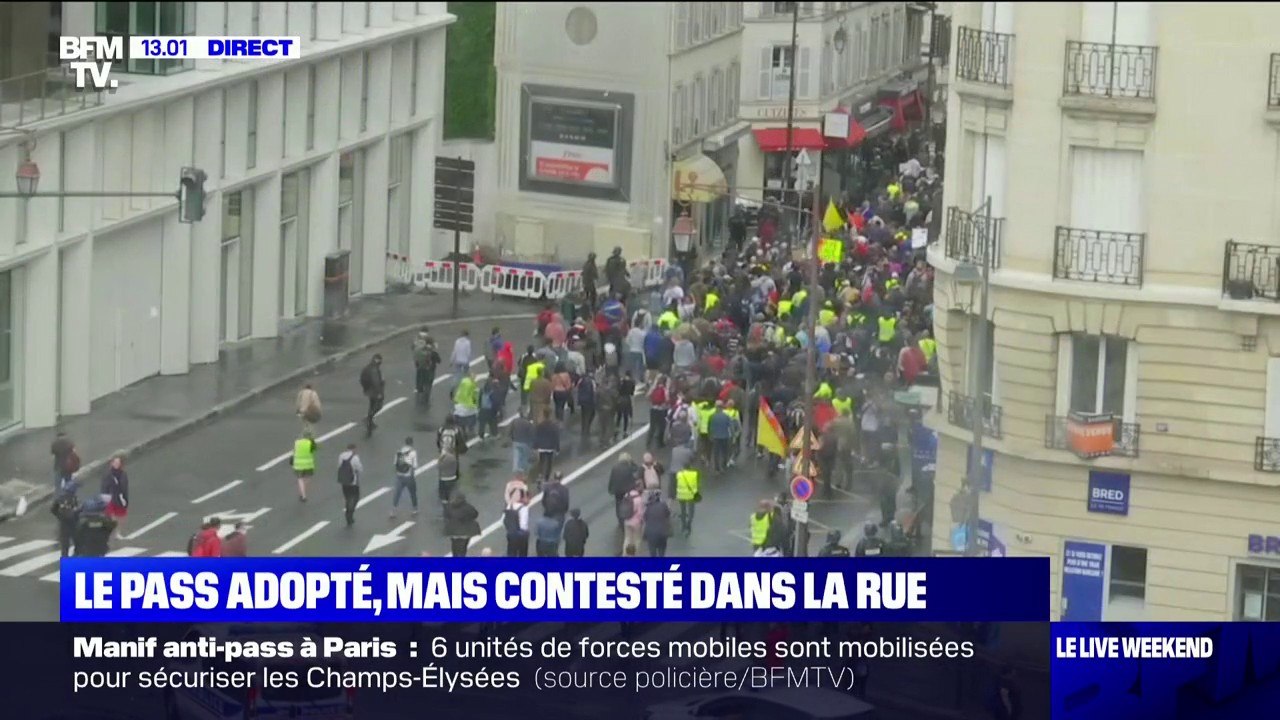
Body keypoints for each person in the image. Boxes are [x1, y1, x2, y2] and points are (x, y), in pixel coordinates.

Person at [443, 492, 481, 557]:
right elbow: (475, 514)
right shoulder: (468, 507)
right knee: (463, 547)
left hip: (453, 531)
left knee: (454, 545)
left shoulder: (449, 507)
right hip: (465, 531)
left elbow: (446, 515)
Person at [100, 455, 129, 539]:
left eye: (118, 463)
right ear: (111, 463)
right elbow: (104, 486)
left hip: (119, 497)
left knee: (120, 516)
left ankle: (117, 532)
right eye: (115, 462)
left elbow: (125, 487)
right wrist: (104, 497)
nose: (116, 464)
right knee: (111, 516)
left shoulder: (123, 474)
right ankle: (111, 532)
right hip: (109, 497)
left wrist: (125, 498)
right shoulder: (107, 474)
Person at [391, 437, 420, 519]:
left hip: (399, 475)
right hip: (408, 476)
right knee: (413, 492)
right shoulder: (413, 452)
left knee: (397, 493)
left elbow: (395, 464)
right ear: (411, 443)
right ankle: (415, 509)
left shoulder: (398, 452)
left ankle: (393, 510)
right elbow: (414, 466)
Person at [51, 483, 81, 557]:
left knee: (64, 546)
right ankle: (75, 557)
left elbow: (53, 509)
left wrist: (59, 516)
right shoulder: (74, 498)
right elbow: (77, 511)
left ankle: (65, 562)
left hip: (63, 525)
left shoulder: (60, 498)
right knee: (78, 543)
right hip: (73, 524)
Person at [412, 329, 441, 404]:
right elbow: (439, 360)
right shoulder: (432, 352)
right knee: (429, 383)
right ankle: (426, 397)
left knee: (422, 379)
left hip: (422, 367)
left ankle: (420, 389)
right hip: (431, 370)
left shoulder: (420, 347)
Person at [336, 444, 363, 526]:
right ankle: (350, 513)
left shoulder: (341, 456)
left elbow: (339, 466)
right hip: (353, 481)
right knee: (355, 497)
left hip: (344, 481)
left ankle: (348, 510)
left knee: (347, 497)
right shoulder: (355, 457)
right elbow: (360, 469)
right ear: (354, 449)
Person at [359, 354, 386, 435]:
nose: (381, 362)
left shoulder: (369, 367)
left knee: (372, 405)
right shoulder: (374, 369)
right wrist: (379, 393)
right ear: (377, 360)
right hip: (373, 391)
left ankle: (370, 422)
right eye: (380, 360)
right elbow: (376, 382)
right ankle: (369, 419)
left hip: (368, 390)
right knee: (378, 406)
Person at [533, 413, 560, 488]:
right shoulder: (553, 426)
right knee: (549, 463)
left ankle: (540, 476)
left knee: (541, 462)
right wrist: (557, 449)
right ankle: (546, 478)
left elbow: (536, 436)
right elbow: (556, 437)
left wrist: (535, 446)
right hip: (550, 447)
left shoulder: (539, 426)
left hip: (541, 447)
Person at [642, 491, 672, 557]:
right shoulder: (663, 505)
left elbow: (645, 518)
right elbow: (668, 514)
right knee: (662, 551)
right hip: (662, 533)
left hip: (651, 534)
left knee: (652, 553)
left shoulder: (648, 508)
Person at [674, 464, 700, 537]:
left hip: (681, 495)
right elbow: (697, 484)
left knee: (683, 511)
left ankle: (683, 525)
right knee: (691, 510)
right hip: (691, 495)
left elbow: (676, 483)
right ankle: (689, 523)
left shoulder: (679, 474)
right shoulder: (694, 474)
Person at [291, 432, 317, 503]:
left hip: (298, 464)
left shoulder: (297, 442)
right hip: (308, 464)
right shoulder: (311, 443)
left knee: (300, 479)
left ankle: (302, 494)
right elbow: (314, 450)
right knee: (307, 479)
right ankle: (303, 494)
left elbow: (294, 451)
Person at [453, 372, 480, 437]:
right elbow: (472, 393)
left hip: (460, 403)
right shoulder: (471, 384)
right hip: (468, 405)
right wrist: (476, 402)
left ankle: (463, 430)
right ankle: (470, 430)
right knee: (471, 418)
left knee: (461, 418)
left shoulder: (464, 381)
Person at [620, 486, 645, 554]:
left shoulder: (626, 495)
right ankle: (635, 554)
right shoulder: (639, 499)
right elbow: (640, 513)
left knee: (627, 538)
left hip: (627, 520)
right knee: (637, 540)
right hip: (636, 523)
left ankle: (625, 554)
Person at [509, 410, 534, 475]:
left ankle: (516, 468)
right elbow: (531, 434)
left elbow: (510, 431)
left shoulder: (514, 421)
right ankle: (523, 469)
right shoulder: (528, 423)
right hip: (525, 442)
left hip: (516, 441)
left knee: (516, 455)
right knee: (524, 456)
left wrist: (512, 438)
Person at [576, 371, 597, 439]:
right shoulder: (592, 381)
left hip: (582, 400)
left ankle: (583, 428)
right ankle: (586, 429)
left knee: (583, 414)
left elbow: (577, 388)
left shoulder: (581, 380)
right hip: (589, 401)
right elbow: (594, 391)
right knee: (590, 414)